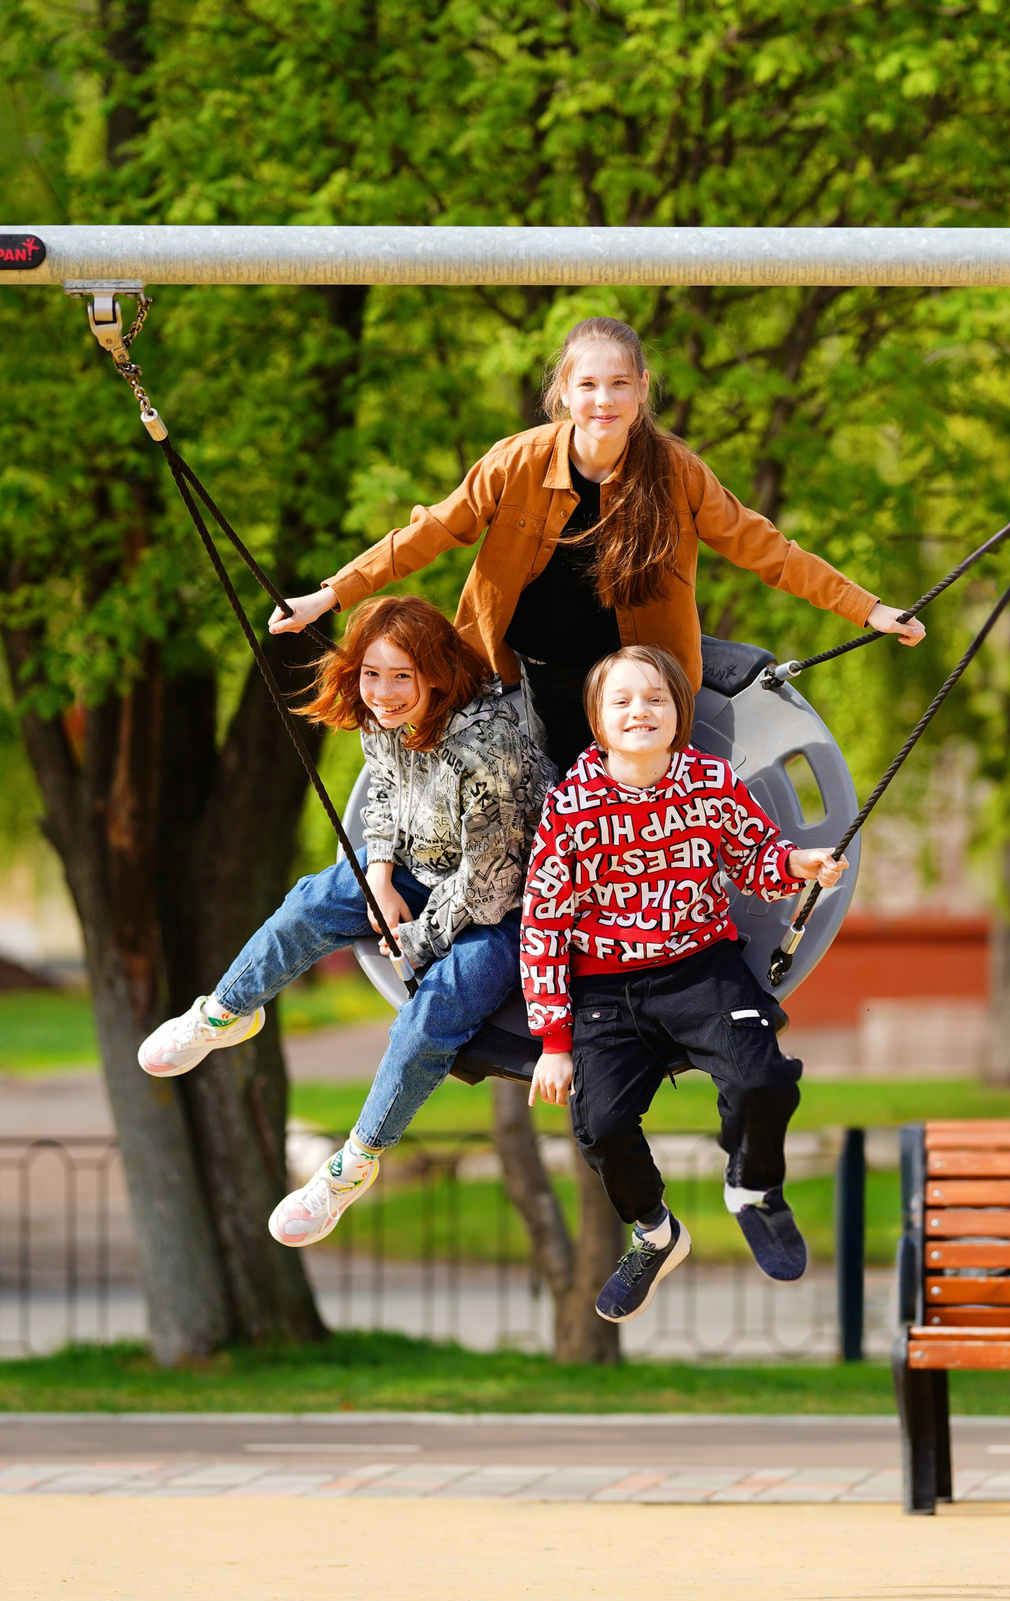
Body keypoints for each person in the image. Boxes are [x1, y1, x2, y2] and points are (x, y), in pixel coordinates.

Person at [269, 315, 928, 772]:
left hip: (626, 683)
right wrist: (327, 595)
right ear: (564, 392)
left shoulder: (674, 472)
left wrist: (868, 609)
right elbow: (428, 532)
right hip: (523, 674)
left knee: (624, 817)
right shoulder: (518, 462)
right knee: (533, 813)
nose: (603, 400)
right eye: (587, 385)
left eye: (619, 384)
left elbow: (766, 549)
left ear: (642, 390)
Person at [136, 595, 553, 1247]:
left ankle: (350, 1166)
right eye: (371, 674)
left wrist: (411, 938)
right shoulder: (384, 716)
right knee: (313, 896)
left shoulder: (488, 746)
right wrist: (381, 876)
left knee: (431, 1016)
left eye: (400, 677)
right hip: (422, 864)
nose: (382, 694)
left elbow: (491, 884)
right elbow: (385, 790)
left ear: (437, 675)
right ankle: (227, 1009)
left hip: (510, 907)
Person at [519, 645, 846, 1322]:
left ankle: (753, 1184)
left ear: (678, 714)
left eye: (657, 700)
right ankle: (655, 1233)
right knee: (601, 1124)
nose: (641, 710)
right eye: (623, 701)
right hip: (607, 988)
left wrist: (799, 864)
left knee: (766, 1080)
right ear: (597, 720)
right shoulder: (569, 808)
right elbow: (544, 924)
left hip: (701, 969)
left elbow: (754, 858)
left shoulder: (708, 781)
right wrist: (553, 1038)